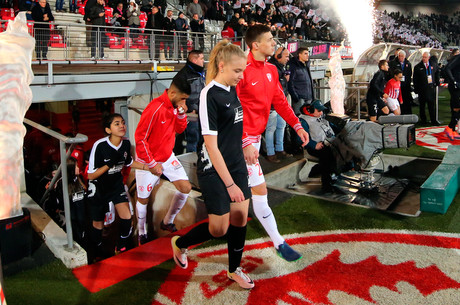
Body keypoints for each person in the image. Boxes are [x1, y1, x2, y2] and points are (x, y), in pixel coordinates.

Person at [171, 39, 255, 289]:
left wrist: (247, 143)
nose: (241, 76)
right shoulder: (209, 94)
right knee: (218, 229)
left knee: (240, 217)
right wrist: (229, 184)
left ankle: (234, 269)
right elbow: (210, 145)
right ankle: (180, 243)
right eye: (237, 71)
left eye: (243, 70)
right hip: (214, 168)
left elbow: (236, 126)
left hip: (236, 163)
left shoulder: (232, 88)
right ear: (221, 66)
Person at [236, 24, 309, 261]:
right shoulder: (241, 69)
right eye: (269, 40)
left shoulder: (270, 70)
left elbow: (280, 101)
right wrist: (245, 139)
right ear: (255, 45)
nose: (274, 43)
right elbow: (229, 109)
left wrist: (297, 125)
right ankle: (278, 242)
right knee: (249, 197)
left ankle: (278, 243)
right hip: (239, 142)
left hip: (252, 141)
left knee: (249, 197)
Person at [134, 73, 192, 244]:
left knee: (185, 187)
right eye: (182, 99)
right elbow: (140, 139)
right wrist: (151, 164)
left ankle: (167, 222)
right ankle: (142, 232)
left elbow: (180, 130)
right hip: (148, 160)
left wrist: (181, 115)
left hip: (167, 156)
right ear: (173, 94)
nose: (184, 103)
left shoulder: (175, 106)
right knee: (142, 199)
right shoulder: (154, 109)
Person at [87, 114, 143, 260]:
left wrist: (149, 167)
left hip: (116, 186)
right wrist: (108, 164)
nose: (122, 126)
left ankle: (121, 246)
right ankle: (96, 251)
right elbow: (91, 175)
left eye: (123, 123)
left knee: (126, 217)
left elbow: (129, 162)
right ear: (108, 129)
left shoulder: (126, 143)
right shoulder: (100, 145)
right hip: (99, 187)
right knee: (98, 224)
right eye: (117, 123)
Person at [298, 100, 336, 192]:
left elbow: (331, 126)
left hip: (330, 142)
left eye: (322, 111)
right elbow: (300, 138)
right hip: (315, 147)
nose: (321, 113)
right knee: (327, 155)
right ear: (311, 110)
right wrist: (314, 145)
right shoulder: (303, 121)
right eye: (319, 111)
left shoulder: (321, 117)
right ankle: (326, 185)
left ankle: (319, 170)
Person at [175, 50, 206, 152]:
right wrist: (191, 109)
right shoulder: (183, 76)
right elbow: (179, 97)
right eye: (201, 59)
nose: (203, 61)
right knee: (193, 140)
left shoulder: (201, 73)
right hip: (190, 115)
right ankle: (191, 163)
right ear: (194, 60)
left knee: (201, 140)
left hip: (200, 113)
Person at [265, 46, 292, 163]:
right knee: (271, 128)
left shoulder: (280, 67)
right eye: (286, 56)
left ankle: (279, 149)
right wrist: (285, 80)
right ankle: (270, 153)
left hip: (281, 103)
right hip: (272, 105)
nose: (288, 59)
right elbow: (273, 86)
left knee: (281, 126)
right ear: (278, 56)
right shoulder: (271, 67)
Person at [413, 52, 440, 126]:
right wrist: (416, 89)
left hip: (431, 89)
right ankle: (423, 120)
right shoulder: (418, 67)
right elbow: (415, 79)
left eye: (425, 57)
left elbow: (437, 72)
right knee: (422, 106)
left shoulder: (433, 65)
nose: (424, 58)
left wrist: (437, 82)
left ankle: (433, 120)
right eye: (423, 57)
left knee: (431, 106)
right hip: (422, 90)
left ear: (429, 57)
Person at [287, 47, 315, 115]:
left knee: (308, 117)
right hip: (300, 99)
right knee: (299, 118)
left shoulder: (306, 66)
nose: (307, 55)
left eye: (308, 54)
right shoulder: (293, 66)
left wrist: (313, 96)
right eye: (305, 54)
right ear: (299, 54)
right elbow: (290, 83)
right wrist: (296, 97)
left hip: (309, 97)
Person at [389, 50, 413, 115]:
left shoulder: (408, 63)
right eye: (399, 56)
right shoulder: (393, 63)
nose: (401, 58)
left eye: (402, 56)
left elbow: (409, 74)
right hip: (396, 86)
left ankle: (407, 113)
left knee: (406, 100)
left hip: (405, 86)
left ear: (405, 57)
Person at [444, 49, 460, 140]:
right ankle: (450, 128)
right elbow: (447, 68)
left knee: (457, 108)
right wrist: (453, 81)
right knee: (456, 108)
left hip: (458, 86)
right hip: (455, 87)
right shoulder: (458, 58)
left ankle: (452, 129)